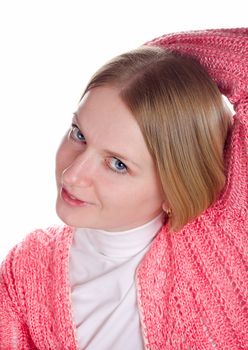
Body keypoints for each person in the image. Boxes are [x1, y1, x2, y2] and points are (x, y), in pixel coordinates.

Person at [0, 28, 247, 350]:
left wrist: (160, 66)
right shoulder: (28, 266)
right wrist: (141, 67)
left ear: (175, 186)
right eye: (79, 135)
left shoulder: (229, 237)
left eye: (118, 164)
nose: (73, 175)